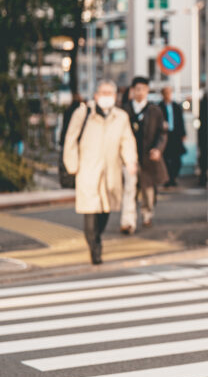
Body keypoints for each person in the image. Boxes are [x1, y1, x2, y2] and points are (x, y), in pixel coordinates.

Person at [62, 80, 138, 265]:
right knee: (90, 212)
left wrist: (130, 161)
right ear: (96, 95)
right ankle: (95, 249)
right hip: (88, 170)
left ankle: (97, 237)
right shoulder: (83, 113)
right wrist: (72, 165)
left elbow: (127, 140)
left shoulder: (121, 117)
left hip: (111, 170)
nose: (106, 96)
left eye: (110, 93)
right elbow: (70, 139)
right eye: (103, 92)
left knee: (106, 211)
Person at [126, 76, 168, 228]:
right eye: (137, 89)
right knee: (129, 190)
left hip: (148, 157)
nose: (140, 92)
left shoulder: (154, 111)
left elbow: (162, 133)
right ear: (133, 90)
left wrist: (158, 149)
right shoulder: (125, 110)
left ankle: (147, 214)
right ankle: (129, 220)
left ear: (147, 91)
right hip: (129, 157)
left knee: (148, 190)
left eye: (143, 89)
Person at [159, 87, 186, 187]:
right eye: (166, 93)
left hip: (175, 135)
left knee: (176, 159)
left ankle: (173, 177)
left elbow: (181, 121)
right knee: (166, 158)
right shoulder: (159, 107)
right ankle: (167, 178)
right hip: (165, 135)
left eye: (169, 93)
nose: (168, 95)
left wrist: (183, 134)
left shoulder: (176, 106)